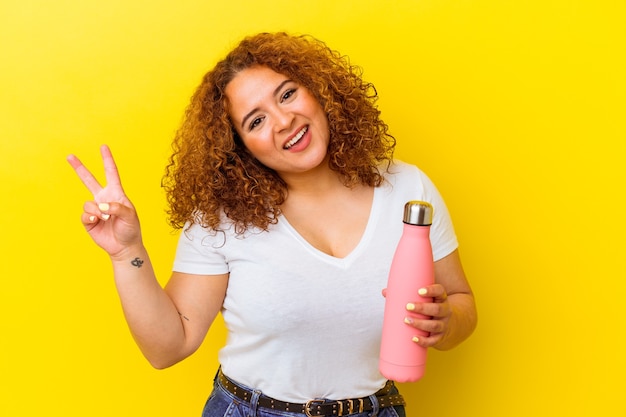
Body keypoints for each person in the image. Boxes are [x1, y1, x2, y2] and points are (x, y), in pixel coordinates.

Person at [67, 32, 477, 417]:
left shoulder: (407, 188)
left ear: (318, 91)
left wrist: (446, 323)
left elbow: (461, 303)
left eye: (287, 94)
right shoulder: (222, 217)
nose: (283, 121)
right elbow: (167, 347)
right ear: (239, 147)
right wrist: (127, 253)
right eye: (256, 121)